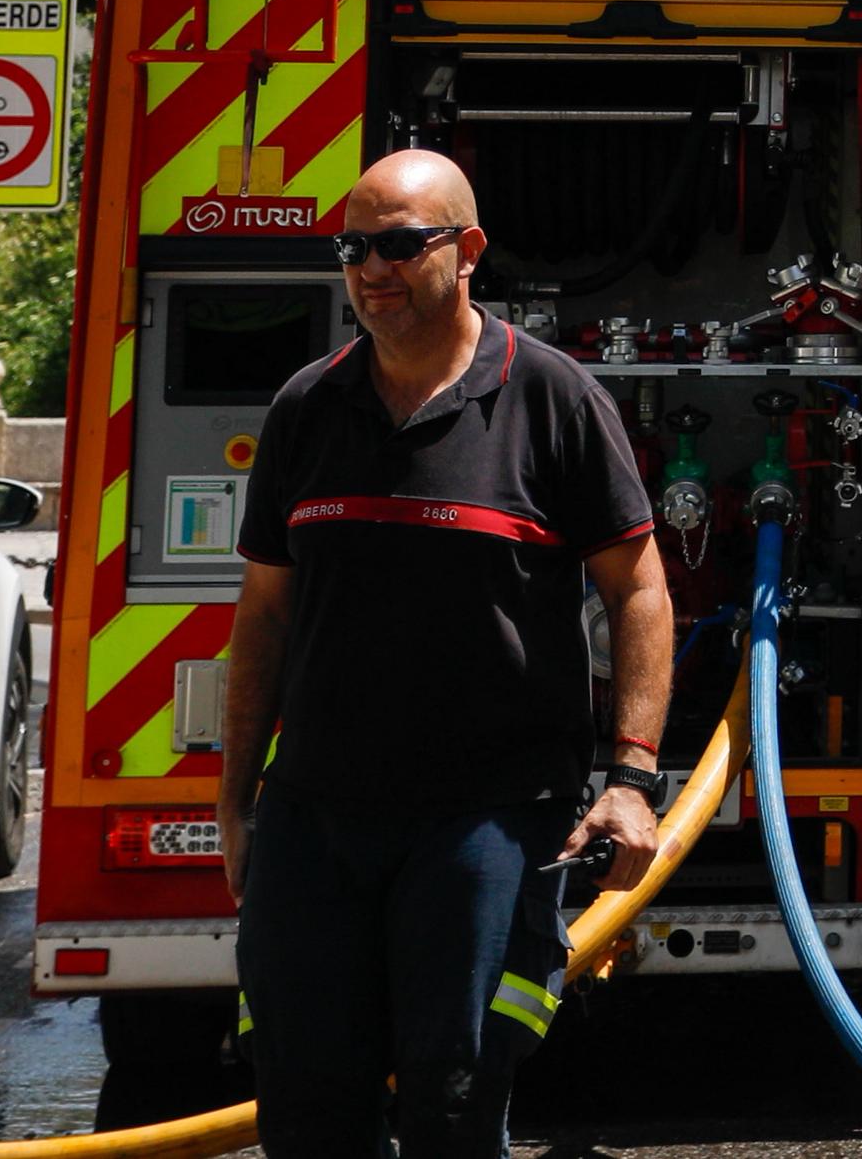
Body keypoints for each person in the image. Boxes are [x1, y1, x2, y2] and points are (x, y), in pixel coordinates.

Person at [221, 153, 675, 1159]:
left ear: (466, 251)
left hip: (489, 819)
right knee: (302, 1101)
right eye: (353, 248)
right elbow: (262, 615)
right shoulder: (308, 406)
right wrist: (239, 797)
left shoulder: (551, 399)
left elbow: (638, 590)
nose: (371, 269)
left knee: (455, 1098)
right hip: (317, 815)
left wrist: (631, 777)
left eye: (397, 244)